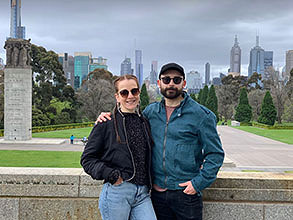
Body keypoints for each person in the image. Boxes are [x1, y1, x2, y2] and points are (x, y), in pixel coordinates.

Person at [97, 63, 224, 220]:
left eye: (176, 80)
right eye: (166, 79)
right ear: (159, 83)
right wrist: (107, 117)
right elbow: (127, 114)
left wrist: (198, 183)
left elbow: (215, 154)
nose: (171, 83)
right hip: (156, 196)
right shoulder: (150, 112)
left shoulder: (202, 115)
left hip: (186, 196)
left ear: (184, 83)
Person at [80, 75, 157, 220]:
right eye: (124, 93)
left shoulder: (144, 122)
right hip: (118, 191)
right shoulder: (106, 123)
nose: (130, 96)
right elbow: (87, 159)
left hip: (143, 193)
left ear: (139, 93)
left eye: (134, 91)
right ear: (117, 96)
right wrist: (112, 175)